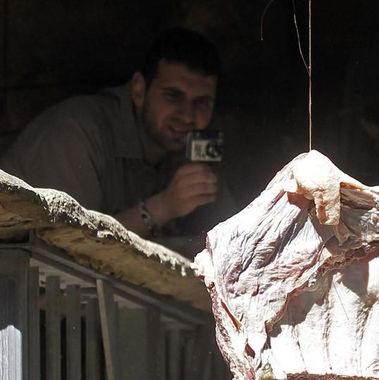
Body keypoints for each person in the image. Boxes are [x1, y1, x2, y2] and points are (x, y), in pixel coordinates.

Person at [0, 27, 221, 242]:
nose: (187, 116)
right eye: (173, 96)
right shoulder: (77, 132)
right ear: (138, 90)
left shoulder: (196, 145)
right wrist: (162, 207)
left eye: (202, 102)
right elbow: (69, 247)